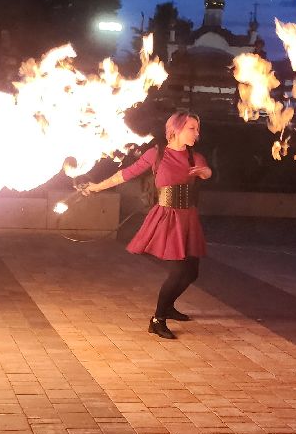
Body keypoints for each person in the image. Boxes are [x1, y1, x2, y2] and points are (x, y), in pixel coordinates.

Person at [80, 112, 213, 340]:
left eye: (197, 129)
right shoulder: (157, 154)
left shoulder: (194, 157)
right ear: (176, 129)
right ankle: (157, 319)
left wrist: (204, 172)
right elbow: (126, 174)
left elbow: (207, 171)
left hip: (188, 218)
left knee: (192, 272)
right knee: (179, 270)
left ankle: (168, 307)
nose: (197, 133)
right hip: (168, 218)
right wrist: (96, 187)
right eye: (192, 128)